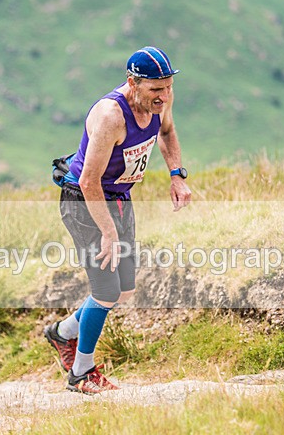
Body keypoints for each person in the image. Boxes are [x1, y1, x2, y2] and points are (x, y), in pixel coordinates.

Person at [44, 46, 192, 394]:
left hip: (120, 199)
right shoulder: (111, 116)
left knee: (124, 291)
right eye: (156, 89)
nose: (165, 96)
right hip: (85, 202)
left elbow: (166, 132)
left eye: (168, 87)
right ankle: (81, 372)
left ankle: (62, 333)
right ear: (133, 83)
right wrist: (107, 232)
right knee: (106, 291)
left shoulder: (160, 103)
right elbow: (87, 181)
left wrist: (176, 174)